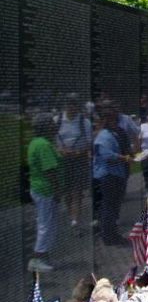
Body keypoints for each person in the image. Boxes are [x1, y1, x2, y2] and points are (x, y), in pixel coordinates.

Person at [93, 104, 132, 246]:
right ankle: (109, 236)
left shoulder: (113, 134)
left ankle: (112, 233)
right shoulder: (103, 136)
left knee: (114, 206)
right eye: (113, 121)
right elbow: (106, 155)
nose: (116, 123)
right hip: (108, 176)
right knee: (109, 207)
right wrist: (124, 158)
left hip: (116, 174)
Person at [28, 113, 61, 272]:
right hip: (45, 189)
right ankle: (37, 258)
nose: (55, 126)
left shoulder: (37, 142)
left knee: (46, 223)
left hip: (40, 188)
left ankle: (43, 255)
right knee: (45, 225)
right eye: (52, 124)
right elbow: (50, 171)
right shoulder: (43, 145)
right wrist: (57, 190)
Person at [56, 93, 92, 228]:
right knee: (67, 191)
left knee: (77, 191)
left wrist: (80, 151)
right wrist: (60, 150)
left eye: (74, 104)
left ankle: (75, 220)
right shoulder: (58, 120)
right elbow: (52, 142)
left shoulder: (84, 122)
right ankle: (71, 214)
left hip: (79, 158)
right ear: (65, 105)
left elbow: (89, 143)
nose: (71, 106)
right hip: (63, 159)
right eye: (69, 103)